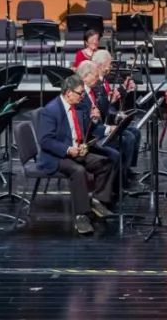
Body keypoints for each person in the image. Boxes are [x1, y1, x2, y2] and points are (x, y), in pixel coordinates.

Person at [37, 75, 117, 235]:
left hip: (78, 151)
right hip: (57, 156)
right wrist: (67, 149)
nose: (83, 96)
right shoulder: (50, 110)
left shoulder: (79, 107)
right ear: (68, 93)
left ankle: (97, 201)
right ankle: (82, 216)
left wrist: (95, 121)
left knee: (106, 163)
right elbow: (45, 141)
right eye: (80, 93)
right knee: (78, 171)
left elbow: (89, 130)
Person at [84, 52, 140, 186]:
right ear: (101, 65)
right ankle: (121, 176)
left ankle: (126, 169)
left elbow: (108, 105)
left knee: (134, 132)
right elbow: (104, 108)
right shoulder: (96, 85)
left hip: (106, 120)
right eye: (109, 64)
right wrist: (114, 100)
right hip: (101, 126)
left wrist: (121, 92)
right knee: (128, 137)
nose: (111, 67)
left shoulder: (102, 82)